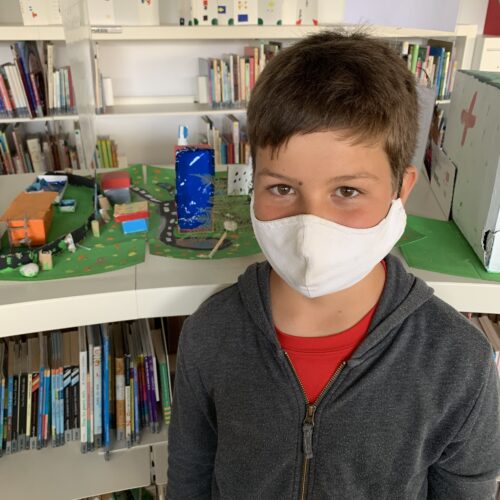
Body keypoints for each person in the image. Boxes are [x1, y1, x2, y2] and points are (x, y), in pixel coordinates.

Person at [166, 30, 500, 499]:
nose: (311, 228)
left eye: (347, 191)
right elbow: (190, 477)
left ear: (400, 190)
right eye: (282, 188)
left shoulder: (459, 363)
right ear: (252, 182)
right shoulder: (210, 334)